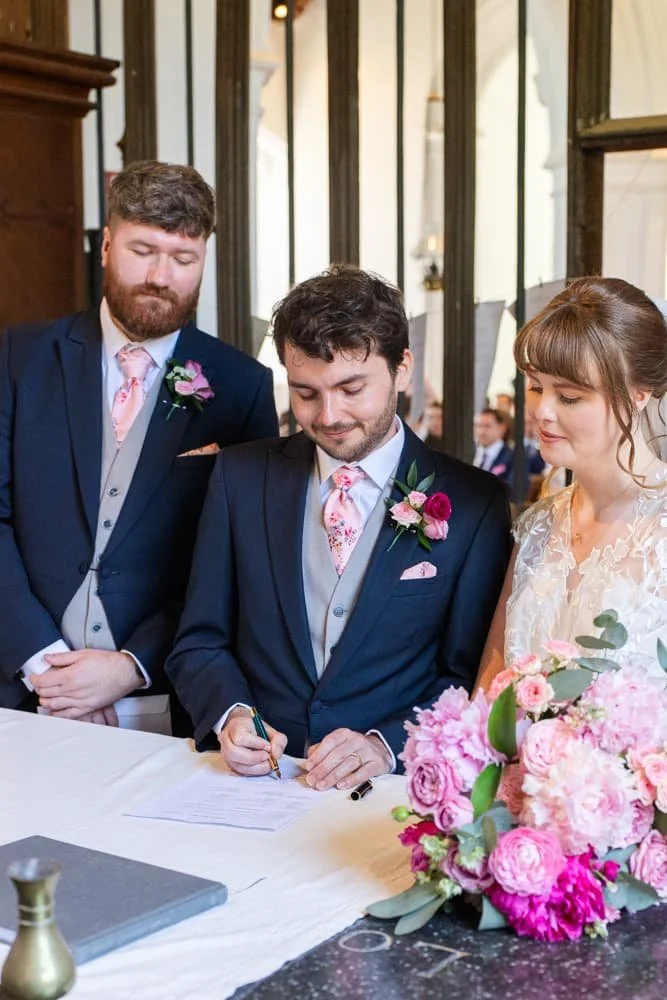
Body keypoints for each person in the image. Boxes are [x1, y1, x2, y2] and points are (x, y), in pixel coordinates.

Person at [166, 265, 512, 790]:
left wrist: (385, 744)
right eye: (305, 393)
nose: (328, 415)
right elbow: (199, 641)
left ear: (402, 369)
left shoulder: (475, 502)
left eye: (351, 388)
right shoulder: (238, 479)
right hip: (255, 788)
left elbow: (465, 677)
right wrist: (232, 715)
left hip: (392, 793)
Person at [0, 160, 278, 733]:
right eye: (143, 250)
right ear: (106, 246)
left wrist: (129, 666)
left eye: (183, 259)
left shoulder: (242, 385)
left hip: (161, 702)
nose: (160, 276)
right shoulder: (18, 358)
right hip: (21, 690)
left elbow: (239, 562)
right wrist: (45, 666)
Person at [477, 276, 667, 689]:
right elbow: (491, 690)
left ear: (638, 393)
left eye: (569, 396)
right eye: (535, 386)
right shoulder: (538, 526)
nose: (542, 411)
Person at [473, 408, 515, 484]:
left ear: (501, 428)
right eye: (478, 426)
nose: (481, 432)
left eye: (487, 426)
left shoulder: (513, 457)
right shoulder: (472, 452)